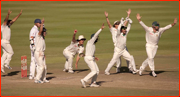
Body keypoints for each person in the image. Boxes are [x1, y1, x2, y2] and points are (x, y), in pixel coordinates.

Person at [104, 9, 131, 73]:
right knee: (117, 59)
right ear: (115, 25)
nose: (118, 24)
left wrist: (128, 15)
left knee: (128, 57)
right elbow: (108, 24)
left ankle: (130, 68)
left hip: (123, 45)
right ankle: (118, 68)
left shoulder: (121, 29)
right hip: (116, 45)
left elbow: (125, 22)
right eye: (117, 23)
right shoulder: (112, 29)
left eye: (119, 23)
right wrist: (106, 17)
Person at [80, 23, 105, 88]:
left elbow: (90, 52)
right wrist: (101, 29)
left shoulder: (92, 44)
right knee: (94, 71)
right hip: (88, 58)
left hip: (91, 57)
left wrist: (94, 57)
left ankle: (93, 83)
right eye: (96, 38)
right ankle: (84, 80)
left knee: (97, 71)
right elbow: (96, 35)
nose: (97, 39)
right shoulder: (90, 41)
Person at [1, 9, 22, 73]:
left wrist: (19, 14)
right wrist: (8, 14)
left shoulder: (8, 26)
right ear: (6, 22)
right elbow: (6, 20)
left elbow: (13, 20)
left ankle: (1, 67)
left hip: (3, 42)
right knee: (11, 53)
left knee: (5, 53)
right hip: (5, 42)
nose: (10, 23)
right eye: (9, 22)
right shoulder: (4, 26)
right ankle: (6, 63)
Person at [34, 18, 49, 83]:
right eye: (44, 32)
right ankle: (37, 79)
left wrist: (44, 54)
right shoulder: (38, 35)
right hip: (38, 53)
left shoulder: (43, 38)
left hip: (42, 53)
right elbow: (40, 31)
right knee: (41, 66)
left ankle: (44, 78)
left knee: (45, 67)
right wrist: (42, 23)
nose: (45, 33)